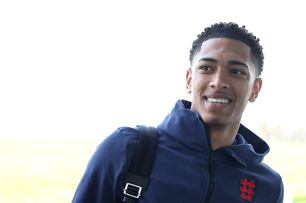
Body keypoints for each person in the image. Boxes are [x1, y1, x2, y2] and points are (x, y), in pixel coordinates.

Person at [72, 22, 284, 203]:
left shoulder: (268, 187)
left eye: (236, 72)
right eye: (206, 68)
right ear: (189, 79)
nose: (218, 82)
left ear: (255, 89)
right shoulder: (127, 149)